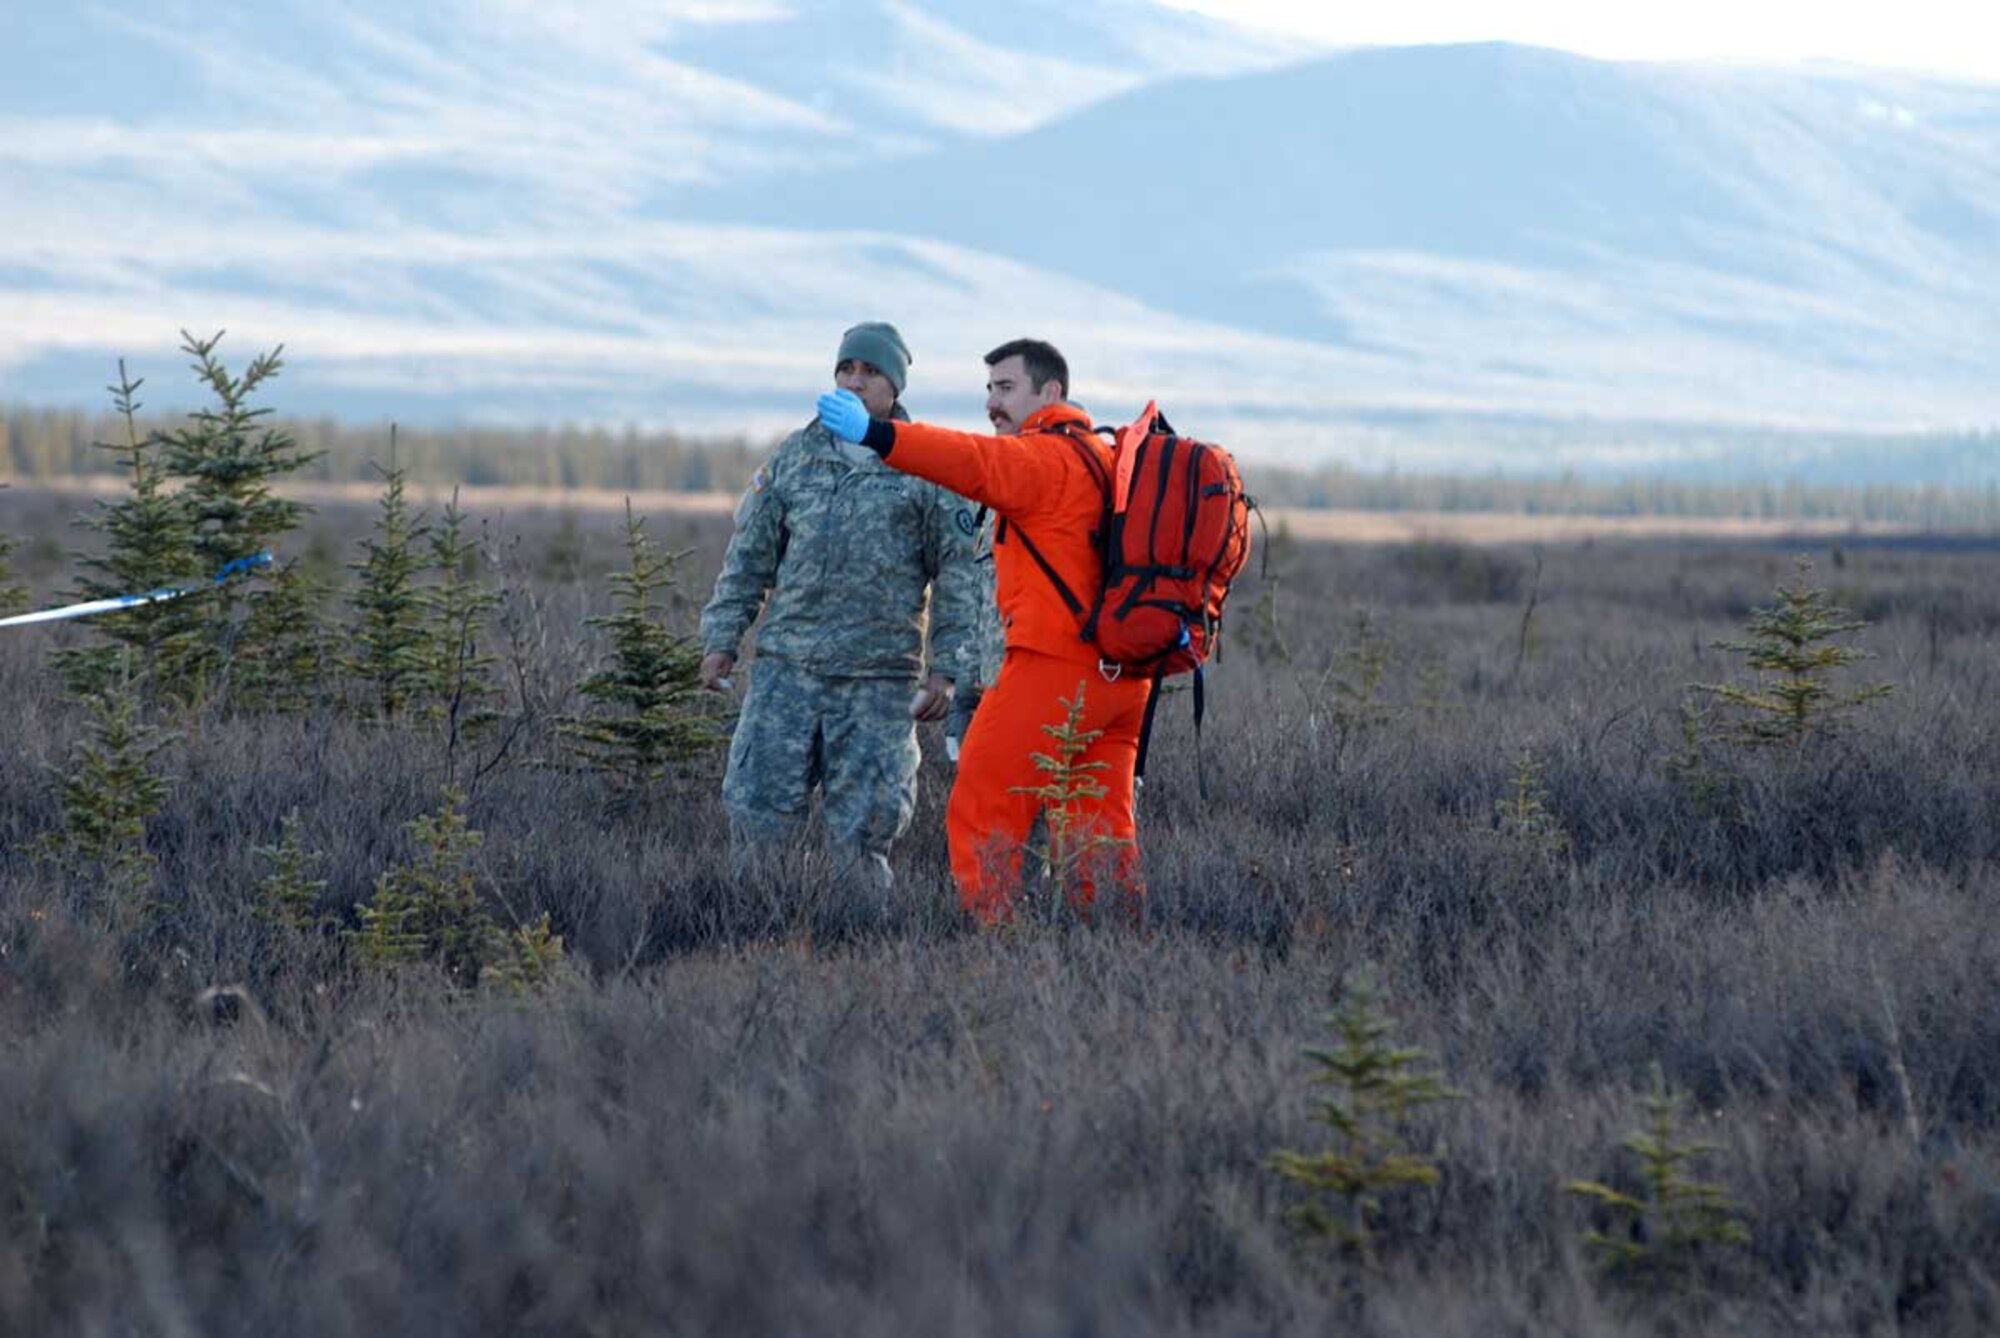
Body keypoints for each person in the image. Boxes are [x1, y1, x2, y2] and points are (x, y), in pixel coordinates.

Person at [815, 338, 1151, 924]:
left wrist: (879, 436)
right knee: (1098, 829)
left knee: (981, 805)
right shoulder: (1102, 457)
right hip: (1119, 679)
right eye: (990, 389)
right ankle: (1115, 950)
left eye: (1006, 389)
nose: (993, 404)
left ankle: (998, 949)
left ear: (1050, 393)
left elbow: (968, 460)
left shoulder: (1042, 458)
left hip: (1052, 669)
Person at [700, 321, 985, 892]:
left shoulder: (924, 467)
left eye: (870, 372)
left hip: (877, 683)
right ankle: (750, 940)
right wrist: (722, 640)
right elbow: (749, 557)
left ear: (894, 388)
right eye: (845, 370)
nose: (855, 381)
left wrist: (948, 672)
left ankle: (860, 949)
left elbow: (958, 577)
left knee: (865, 833)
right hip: (788, 674)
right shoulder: (795, 458)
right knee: (757, 820)